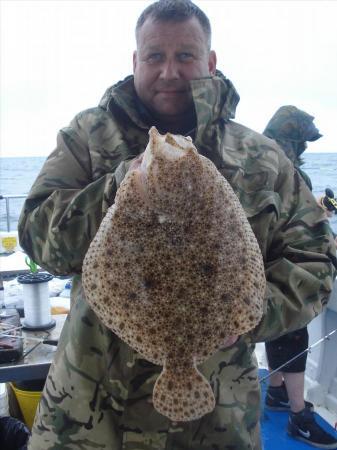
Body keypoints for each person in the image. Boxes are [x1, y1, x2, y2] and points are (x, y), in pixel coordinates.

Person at [18, 1, 337, 449]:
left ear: (209, 62)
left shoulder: (261, 158)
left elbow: (316, 260)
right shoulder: (86, 139)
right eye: (154, 56)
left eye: (185, 56)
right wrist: (117, 186)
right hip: (88, 415)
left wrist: (249, 312)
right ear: (135, 61)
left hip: (216, 424)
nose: (169, 71)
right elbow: (36, 234)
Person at [263, 105, 337, 448]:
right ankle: (298, 416)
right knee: (292, 334)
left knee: (277, 332)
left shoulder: (258, 160)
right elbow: (301, 227)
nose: (305, 149)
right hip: (284, 270)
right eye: (302, 142)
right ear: (292, 138)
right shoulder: (289, 172)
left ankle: (276, 392)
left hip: (261, 268)